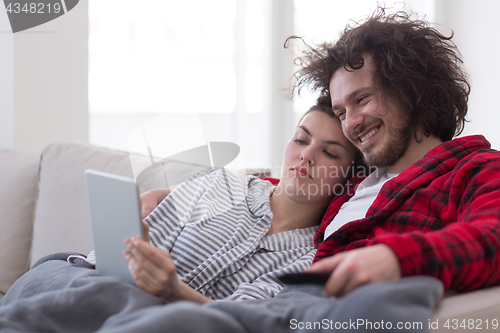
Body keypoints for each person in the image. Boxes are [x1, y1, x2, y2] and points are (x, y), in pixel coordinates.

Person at [133, 7, 500, 333]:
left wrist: (395, 257)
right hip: (276, 303)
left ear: (413, 90)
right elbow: (298, 183)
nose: (351, 123)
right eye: (341, 112)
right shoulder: (359, 178)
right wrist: (180, 194)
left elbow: (493, 235)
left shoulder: (476, 169)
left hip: (330, 309)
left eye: (362, 99)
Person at [0, 101, 365, 332]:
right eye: (301, 140)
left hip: (160, 317)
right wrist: (131, 248)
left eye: (330, 153)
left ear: (349, 179)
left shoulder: (311, 258)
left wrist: (174, 291)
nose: (306, 156)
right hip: (90, 282)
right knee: (64, 277)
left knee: (147, 313)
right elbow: (110, 266)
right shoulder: (219, 183)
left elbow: (246, 319)